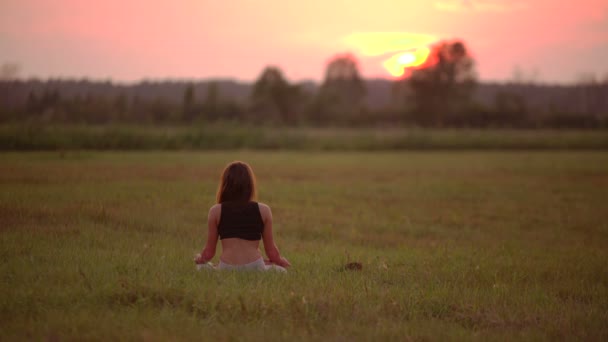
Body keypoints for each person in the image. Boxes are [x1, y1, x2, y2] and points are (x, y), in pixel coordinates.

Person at [195, 161, 291, 271]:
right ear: (250, 185)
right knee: (281, 271)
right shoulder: (264, 210)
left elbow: (209, 252)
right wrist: (279, 261)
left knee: (201, 268)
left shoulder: (215, 211)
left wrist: (200, 258)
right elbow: (271, 252)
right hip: (255, 265)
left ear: (225, 185)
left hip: (227, 267)